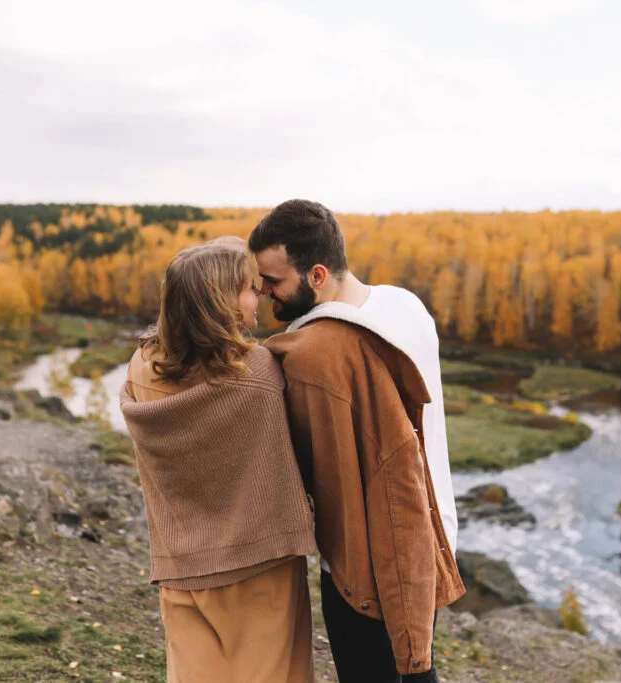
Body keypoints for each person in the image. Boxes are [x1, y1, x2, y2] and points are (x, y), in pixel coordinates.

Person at [251, 199, 464, 683]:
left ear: (317, 275)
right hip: (433, 535)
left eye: (273, 281)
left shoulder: (316, 354)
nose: (264, 292)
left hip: (368, 561)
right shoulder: (405, 304)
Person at [120, 239, 317, 683]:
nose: (259, 293)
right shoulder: (258, 372)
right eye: (248, 287)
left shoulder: (141, 368)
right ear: (219, 303)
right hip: (260, 567)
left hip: (182, 566)